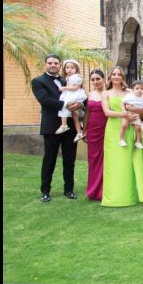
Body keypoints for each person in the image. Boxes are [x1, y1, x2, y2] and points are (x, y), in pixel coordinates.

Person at [101, 66, 143, 207]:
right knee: (117, 163)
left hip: (133, 127)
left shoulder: (132, 91)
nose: (116, 76)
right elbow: (107, 112)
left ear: (123, 77)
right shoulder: (105, 93)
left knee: (135, 160)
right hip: (114, 129)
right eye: (114, 74)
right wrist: (124, 114)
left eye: (119, 74)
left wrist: (133, 111)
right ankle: (118, 196)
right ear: (110, 77)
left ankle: (139, 193)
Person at [31, 54, 82, 202]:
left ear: (60, 65)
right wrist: (66, 105)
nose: (53, 65)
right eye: (50, 63)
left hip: (70, 126)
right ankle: (45, 191)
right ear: (45, 64)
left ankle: (69, 189)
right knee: (49, 159)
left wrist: (79, 104)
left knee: (69, 159)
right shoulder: (38, 81)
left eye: (55, 63)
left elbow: (78, 95)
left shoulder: (67, 80)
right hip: (52, 126)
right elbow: (44, 100)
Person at [83, 69, 108, 201]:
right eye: (93, 79)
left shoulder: (108, 93)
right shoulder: (89, 94)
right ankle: (93, 190)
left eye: (98, 78)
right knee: (93, 160)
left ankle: (106, 189)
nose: (95, 81)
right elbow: (87, 113)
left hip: (107, 128)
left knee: (107, 159)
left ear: (103, 78)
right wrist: (84, 130)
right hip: (93, 130)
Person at [55, 59, 87, 143]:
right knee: (74, 115)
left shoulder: (76, 77)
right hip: (71, 94)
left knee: (64, 106)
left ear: (76, 69)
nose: (69, 69)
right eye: (67, 68)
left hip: (74, 95)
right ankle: (79, 133)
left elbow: (75, 88)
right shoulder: (68, 77)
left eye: (72, 68)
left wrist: (64, 88)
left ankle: (64, 125)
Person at [118, 80, 143, 149]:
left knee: (138, 128)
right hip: (128, 114)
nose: (139, 90)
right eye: (137, 88)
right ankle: (121, 139)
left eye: (142, 89)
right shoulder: (129, 96)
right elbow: (122, 103)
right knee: (124, 125)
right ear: (133, 89)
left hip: (136, 115)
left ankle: (138, 142)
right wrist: (124, 110)